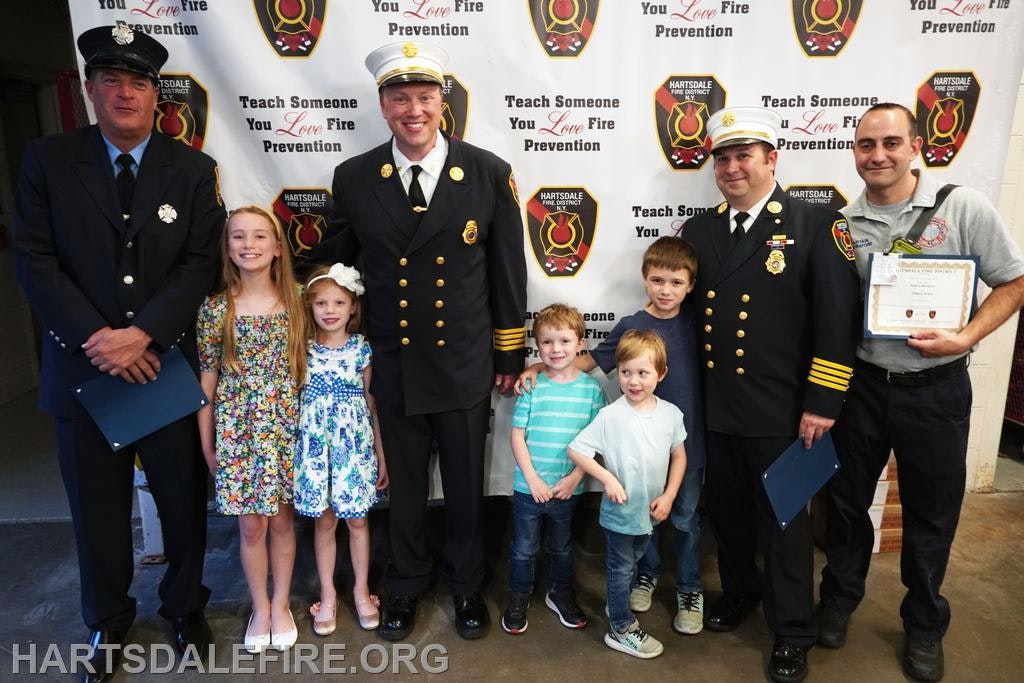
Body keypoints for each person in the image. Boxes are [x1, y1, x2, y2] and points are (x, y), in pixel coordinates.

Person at [11, 22, 223, 682]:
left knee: (183, 501)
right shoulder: (48, 161)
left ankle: (185, 606)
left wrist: (146, 334)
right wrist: (98, 339)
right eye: (112, 80)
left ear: (156, 97)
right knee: (96, 513)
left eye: (138, 82)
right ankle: (107, 621)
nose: (125, 93)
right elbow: (36, 259)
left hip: (162, 365)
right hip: (84, 371)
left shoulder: (191, 170)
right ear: (90, 88)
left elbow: (198, 264)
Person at [310, 41, 527, 641]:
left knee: (463, 485)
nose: (413, 109)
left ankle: (465, 587)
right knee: (401, 486)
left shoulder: (487, 173)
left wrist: (508, 351)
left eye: (425, 98)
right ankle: (405, 585)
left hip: (462, 360)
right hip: (394, 359)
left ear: (443, 103)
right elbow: (335, 263)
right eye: (400, 98)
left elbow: (508, 271)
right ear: (382, 105)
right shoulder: (355, 178)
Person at [817, 103, 1024, 682]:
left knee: (932, 514)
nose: (877, 155)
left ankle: (925, 623)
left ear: (916, 147)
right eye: (865, 145)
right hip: (860, 387)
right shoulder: (841, 223)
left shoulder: (961, 207)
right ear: (854, 151)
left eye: (889, 143)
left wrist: (964, 336)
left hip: (935, 392)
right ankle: (838, 598)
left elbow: (1014, 281)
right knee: (845, 504)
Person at [681, 106, 860, 682]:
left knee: (785, 523)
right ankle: (740, 593)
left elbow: (838, 321)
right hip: (717, 406)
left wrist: (824, 403)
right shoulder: (700, 230)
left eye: (744, 156)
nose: (732, 168)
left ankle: (793, 630)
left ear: (771, 159)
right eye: (723, 158)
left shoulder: (817, 224)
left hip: (785, 410)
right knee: (728, 514)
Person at [519, 236, 708, 634]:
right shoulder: (631, 327)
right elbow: (590, 360)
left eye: (676, 282)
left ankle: (690, 589)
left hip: (683, 444)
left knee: (686, 518)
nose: (666, 289)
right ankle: (647, 574)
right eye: (658, 280)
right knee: (644, 518)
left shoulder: (699, 321)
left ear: (691, 285)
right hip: (635, 452)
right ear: (644, 279)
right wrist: (540, 367)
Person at [196, 206, 305, 653]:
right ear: (227, 247)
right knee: (250, 526)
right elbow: (207, 381)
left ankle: (281, 604)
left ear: (278, 247)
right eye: (238, 237)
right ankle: (259, 605)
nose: (249, 245)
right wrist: (208, 446)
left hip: (288, 427)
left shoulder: (299, 302)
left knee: (282, 520)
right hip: (238, 432)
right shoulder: (215, 310)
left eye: (260, 237)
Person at [567, 330, 688, 659]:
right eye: (625, 372)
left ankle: (616, 603)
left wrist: (669, 495)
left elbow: (680, 455)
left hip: (650, 512)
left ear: (660, 375)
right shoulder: (611, 416)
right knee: (622, 568)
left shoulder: (670, 414)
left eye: (643, 373)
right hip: (620, 513)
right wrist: (608, 479)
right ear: (617, 373)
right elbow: (577, 450)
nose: (633, 381)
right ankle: (620, 626)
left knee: (633, 562)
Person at [295, 263, 389, 636]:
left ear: (353, 307)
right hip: (315, 447)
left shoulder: (362, 349)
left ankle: (362, 590)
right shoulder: (302, 349)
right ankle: (329, 593)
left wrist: (381, 454)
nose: (329, 310)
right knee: (325, 520)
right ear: (310, 307)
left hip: (354, 447)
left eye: (338, 302)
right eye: (321, 303)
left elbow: (372, 403)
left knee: (358, 520)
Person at [502, 304, 606, 635]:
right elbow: (517, 435)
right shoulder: (532, 386)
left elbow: (597, 442)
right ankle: (518, 596)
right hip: (528, 488)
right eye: (547, 342)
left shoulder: (592, 391)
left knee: (561, 547)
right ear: (537, 346)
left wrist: (576, 477)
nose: (556, 349)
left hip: (567, 488)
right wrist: (531, 479)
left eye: (564, 341)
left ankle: (559, 593)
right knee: (523, 548)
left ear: (580, 345)